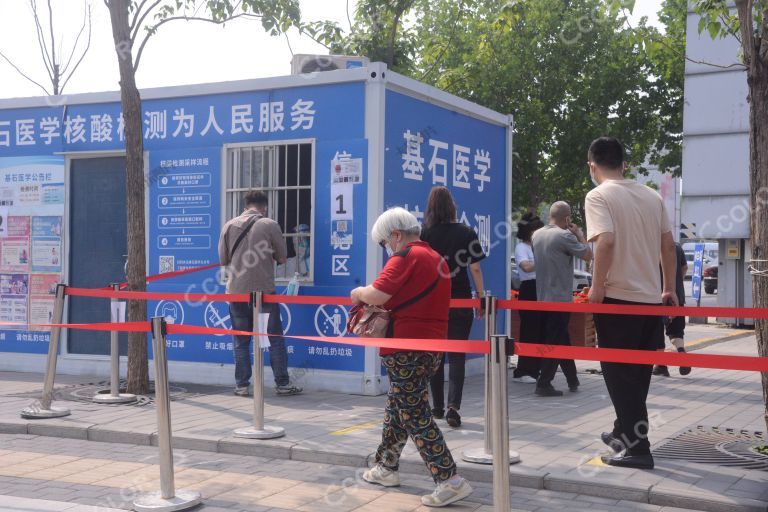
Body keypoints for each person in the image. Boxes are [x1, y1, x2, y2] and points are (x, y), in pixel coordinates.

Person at [350, 207, 473, 508]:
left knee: (415, 413)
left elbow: (378, 294)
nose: (386, 249)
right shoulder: (436, 258)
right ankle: (386, 467)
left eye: (384, 242)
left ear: (396, 235)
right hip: (430, 347)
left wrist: (358, 292)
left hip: (405, 348)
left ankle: (449, 480)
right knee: (398, 405)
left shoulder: (405, 257)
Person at [585, 136, 678, 470]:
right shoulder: (652, 196)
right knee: (637, 375)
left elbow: (605, 242)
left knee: (618, 374)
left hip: (617, 297)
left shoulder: (598, 195)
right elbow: (669, 246)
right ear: (624, 164)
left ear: (592, 166)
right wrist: (668, 287)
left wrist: (596, 287)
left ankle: (639, 449)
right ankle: (622, 433)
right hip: (650, 299)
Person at [218, 190, 302, 397]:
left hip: (236, 292)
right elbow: (283, 258)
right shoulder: (270, 225)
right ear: (264, 206)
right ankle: (282, 384)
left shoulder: (229, 225)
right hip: (263, 291)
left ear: (246, 205)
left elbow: (223, 260)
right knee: (274, 338)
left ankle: (242, 385)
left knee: (241, 340)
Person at [421, 186, 486, 428]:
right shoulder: (467, 232)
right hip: (459, 301)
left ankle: (436, 407)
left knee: (436, 355)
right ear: (452, 206)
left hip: (433, 304)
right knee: (457, 356)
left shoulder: (424, 234)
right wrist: (480, 298)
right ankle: (453, 408)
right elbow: (476, 268)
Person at [532, 201, 593, 397]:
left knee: (561, 337)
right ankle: (544, 382)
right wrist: (580, 235)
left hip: (542, 297)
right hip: (559, 298)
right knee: (555, 341)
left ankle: (572, 379)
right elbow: (588, 255)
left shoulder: (536, 235)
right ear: (567, 219)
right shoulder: (565, 235)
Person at [512, 212, 545, 384]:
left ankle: (537, 368)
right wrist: (544, 260)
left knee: (540, 330)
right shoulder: (521, 248)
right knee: (529, 331)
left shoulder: (538, 247)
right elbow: (525, 267)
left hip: (541, 289)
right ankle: (524, 369)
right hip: (529, 289)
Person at [654, 242, 691, 377]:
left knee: (656, 331)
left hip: (657, 297)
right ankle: (681, 351)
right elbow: (685, 267)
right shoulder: (676, 246)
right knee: (676, 330)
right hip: (677, 296)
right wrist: (676, 283)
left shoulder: (651, 245)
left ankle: (661, 365)